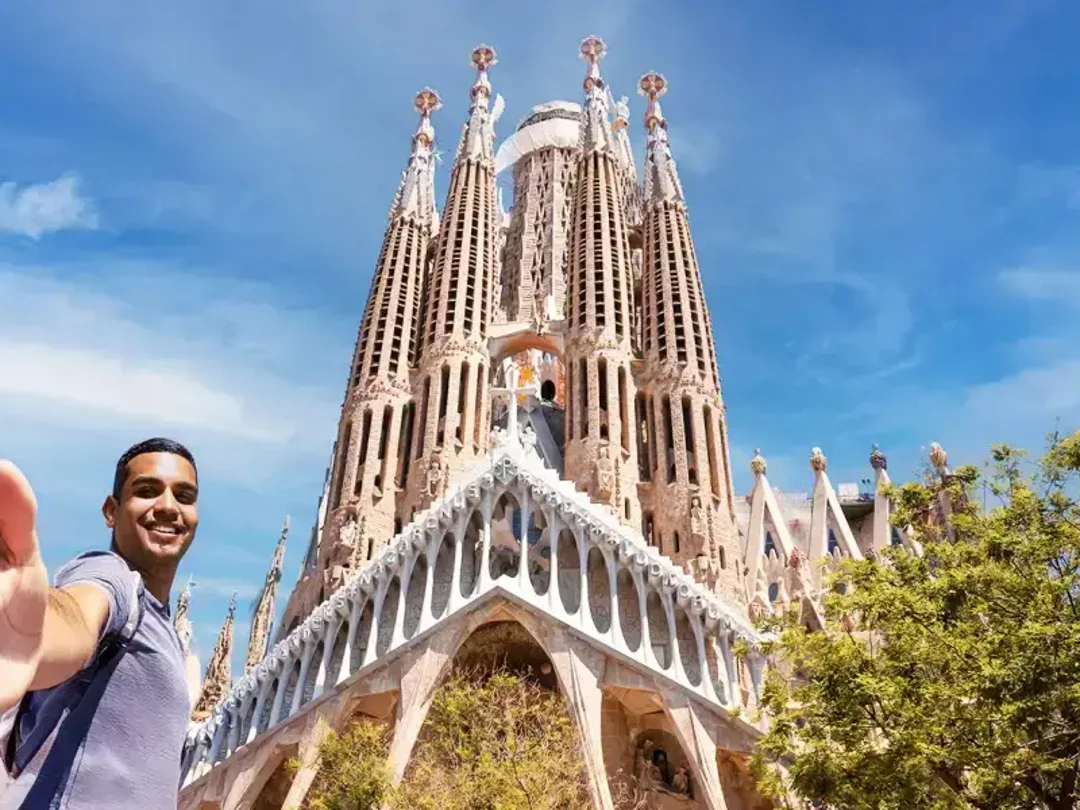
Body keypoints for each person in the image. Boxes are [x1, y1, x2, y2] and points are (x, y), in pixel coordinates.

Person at [0, 438, 200, 809]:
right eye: (147, 491)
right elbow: (79, 615)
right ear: (111, 510)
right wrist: (30, 633)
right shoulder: (113, 575)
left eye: (184, 496)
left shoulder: (165, 632)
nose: (169, 507)